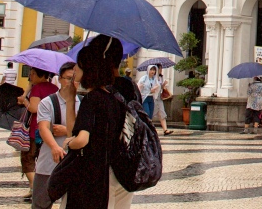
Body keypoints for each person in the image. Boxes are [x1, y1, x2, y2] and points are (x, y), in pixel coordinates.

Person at [66, 35, 131, 209]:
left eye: (78, 65)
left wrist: (70, 142)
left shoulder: (94, 98)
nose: (74, 69)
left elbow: (80, 137)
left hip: (95, 174)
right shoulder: (119, 94)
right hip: (119, 168)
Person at [32, 61, 80, 209]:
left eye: (74, 79)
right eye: (67, 78)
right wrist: (54, 147)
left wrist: (65, 130)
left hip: (73, 163)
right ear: (59, 79)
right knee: (41, 204)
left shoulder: (83, 102)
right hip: (48, 162)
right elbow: (44, 128)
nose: (70, 83)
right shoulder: (48, 102)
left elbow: (85, 131)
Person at [17, 67, 58, 199]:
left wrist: (24, 101)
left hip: (36, 129)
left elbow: (34, 108)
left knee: (28, 159)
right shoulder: (54, 88)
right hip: (50, 129)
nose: (30, 76)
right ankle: (34, 188)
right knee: (42, 160)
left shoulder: (37, 88)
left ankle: (35, 187)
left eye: (32, 74)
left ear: (38, 74)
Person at [138, 65, 172, 135]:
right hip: (145, 98)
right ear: (148, 70)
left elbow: (158, 87)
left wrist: (156, 88)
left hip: (152, 98)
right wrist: (143, 88)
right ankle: (144, 130)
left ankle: (148, 130)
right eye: (151, 70)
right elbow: (139, 86)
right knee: (146, 113)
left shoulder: (154, 79)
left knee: (150, 115)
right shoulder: (144, 78)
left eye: (154, 70)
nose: (152, 72)